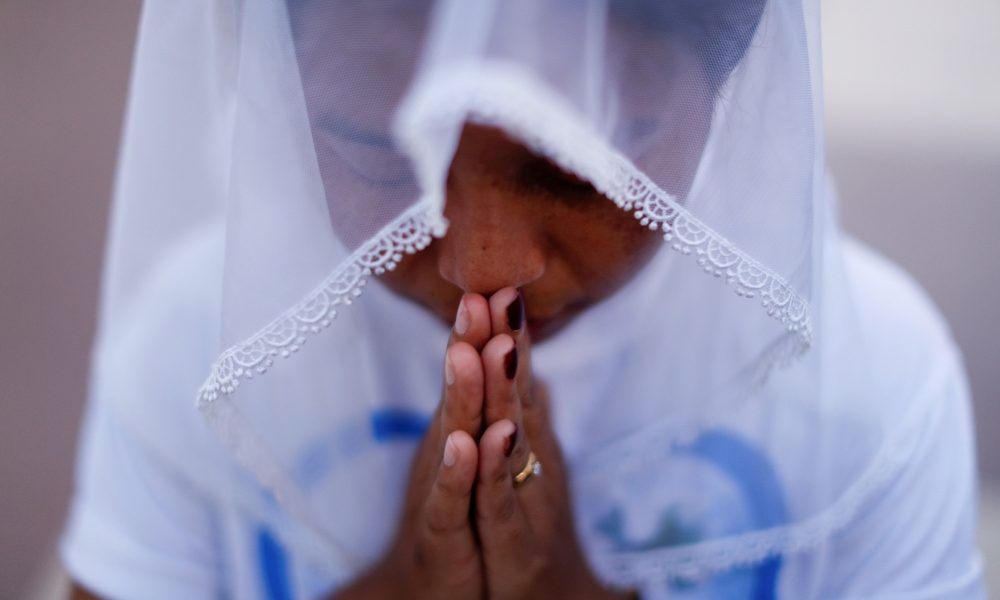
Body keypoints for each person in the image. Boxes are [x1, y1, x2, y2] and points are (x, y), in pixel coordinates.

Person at [63, 1, 984, 598]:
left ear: (732, 71)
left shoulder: (875, 391)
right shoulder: (192, 354)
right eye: (381, 154)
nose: (482, 264)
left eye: (575, 164)